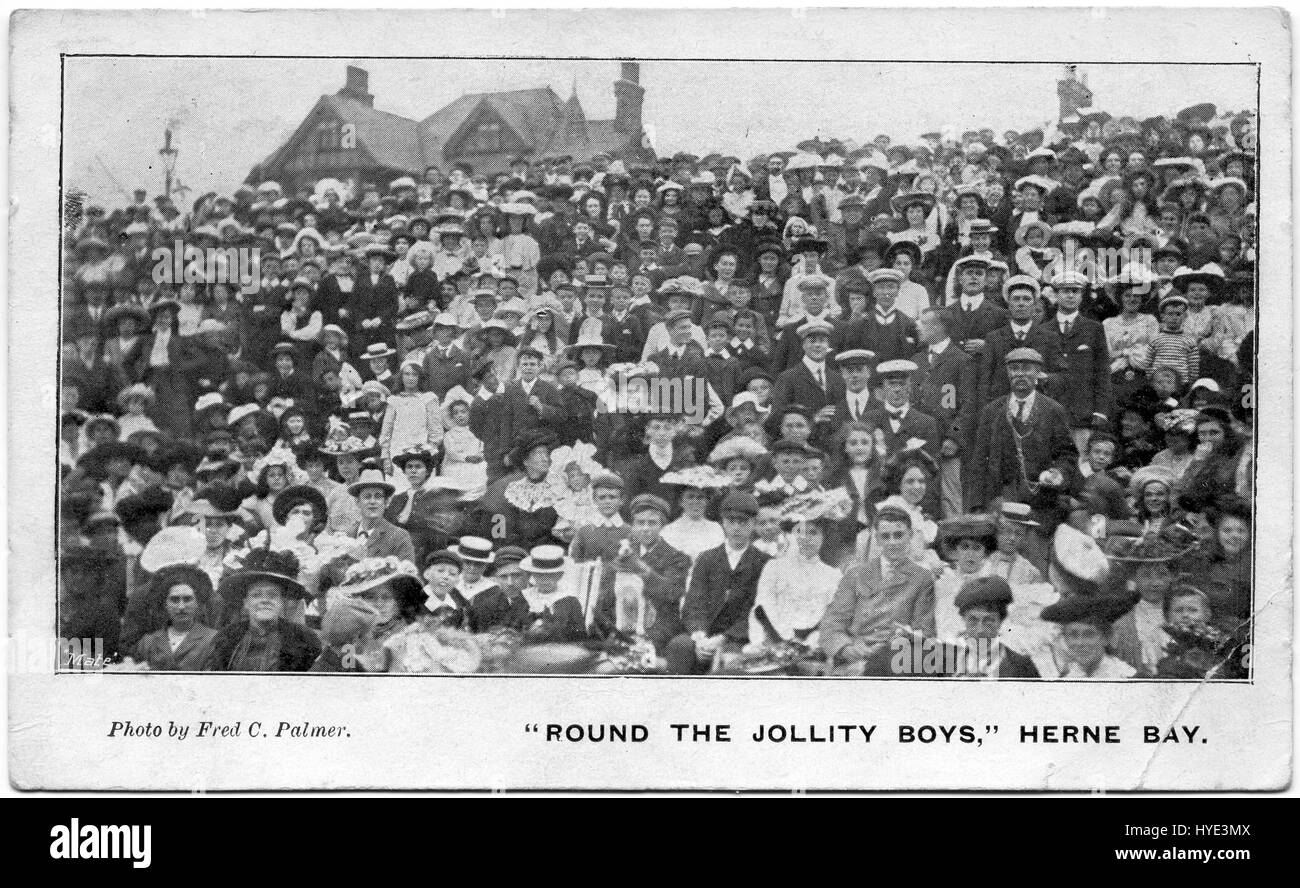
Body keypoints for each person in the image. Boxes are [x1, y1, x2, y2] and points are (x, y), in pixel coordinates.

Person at [820, 506, 937, 675]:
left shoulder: (922, 578)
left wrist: (889, 649)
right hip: (854, 657)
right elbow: (833, 622)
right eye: (885, 536)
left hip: (896, 659)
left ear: (910, 536)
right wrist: (845, 648)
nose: (892, 542)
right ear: (877, 539)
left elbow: (924, 631)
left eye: (898, 535)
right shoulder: (855, 575)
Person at [665, 491, 769, 674]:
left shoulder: (764, 562)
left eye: (743, 522)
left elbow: (757, 610)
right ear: (723, 524)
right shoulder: (708, 558)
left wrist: (723, 638)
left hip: (740, 636)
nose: (736, 528)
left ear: (753, 524)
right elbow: (694, 603)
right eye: (731, 522)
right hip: (705, 633)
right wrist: (699, 636)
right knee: (680, 646)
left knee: (730, 660)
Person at [968, 347, 1077, 511]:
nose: (1020, 374)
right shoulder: (992, 411)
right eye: (1014, 369)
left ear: (1038, 372)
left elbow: (1067, 455)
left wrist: (1057, 473)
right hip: (1000, 499)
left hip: (1041, 500)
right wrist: (976, 505)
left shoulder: (1053, 410)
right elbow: (979, 461)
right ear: (1007, 373)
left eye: (1026, 368)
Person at [591, 493, 691, 653]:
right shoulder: (621, 553)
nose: (645, 529)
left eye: (652, 523)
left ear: (662, 526)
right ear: (633, 525)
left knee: (636, 652)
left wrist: (640, 568)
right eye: (640, 523)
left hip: (658, 627)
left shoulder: (676, 558)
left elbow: (672, 593)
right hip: (620, 624)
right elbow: (606, 597)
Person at [207, 548, 322, 671]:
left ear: (281, 602)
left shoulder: (304, 641)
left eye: (272, 595)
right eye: (256, 595)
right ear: (246, 602)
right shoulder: (227, 638)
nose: (264, 600)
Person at [747, 507, 842, 650]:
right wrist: (786, 636)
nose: (807, 539)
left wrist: (815, 639)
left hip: (814, 642)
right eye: (800, 532)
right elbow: (762, 606)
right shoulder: (774, 567)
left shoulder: (833, 574)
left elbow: (834, 614)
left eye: (813, 533)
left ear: (823, 537)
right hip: (775, 638)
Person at [913, 307, 977, 517]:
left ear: (939, 327)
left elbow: (968, 404)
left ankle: (953, 537)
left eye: (923, 323)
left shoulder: (961, 360)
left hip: (946, 443)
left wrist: (954, 437)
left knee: (949, 495)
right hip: (920, 440)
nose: (918, 327)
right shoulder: (917, 360)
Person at [1042, 270, 1112, 453]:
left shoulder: (1094, 329)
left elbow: (1102, 372)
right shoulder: (1043, 330)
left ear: (1082, 296)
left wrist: (1100, 411)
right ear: (1056, 295)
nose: (1070, 295)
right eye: (1065, 291)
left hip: (1083, 412)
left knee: (1082, 463)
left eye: (1075, 291)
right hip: (1051, 410)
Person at [130, 563, 219, 671]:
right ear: (165, 604)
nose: (181, 607)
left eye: (187, 599)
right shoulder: (148, 642)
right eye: (174, 600)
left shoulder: (212, 640)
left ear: (198, 603)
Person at [948, 575, 1040, 678]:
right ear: (964, 619)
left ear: (1000, 621)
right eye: (973, 620)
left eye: (989, 621)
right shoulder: (946, 662)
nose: (980, 630)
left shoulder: (1021, 667)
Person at [1039, 592, 1139, 680]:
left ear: (1106, 637)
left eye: (1089, 634)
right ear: (1065, 639)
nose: (1080, 643)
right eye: (1073, 635)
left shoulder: (1127, 678)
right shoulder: (1064, 679)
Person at [932, 514, 998, 642]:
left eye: (977, 548)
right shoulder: (943, 580)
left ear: (985, 553)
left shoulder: (993, 582)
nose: (970, 554)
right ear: (955, 551)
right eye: (965, 547)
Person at [379, 361, 443, 481]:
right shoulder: (394, 400)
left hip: (422, 454)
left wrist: (429, 453)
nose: (410, 378)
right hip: (397, 454)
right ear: (401, 377)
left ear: (420, 377)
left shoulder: (428, 399)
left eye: (414, 374)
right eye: (406, 374)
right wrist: (386, 458)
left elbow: (436, 431)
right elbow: (386, 432)